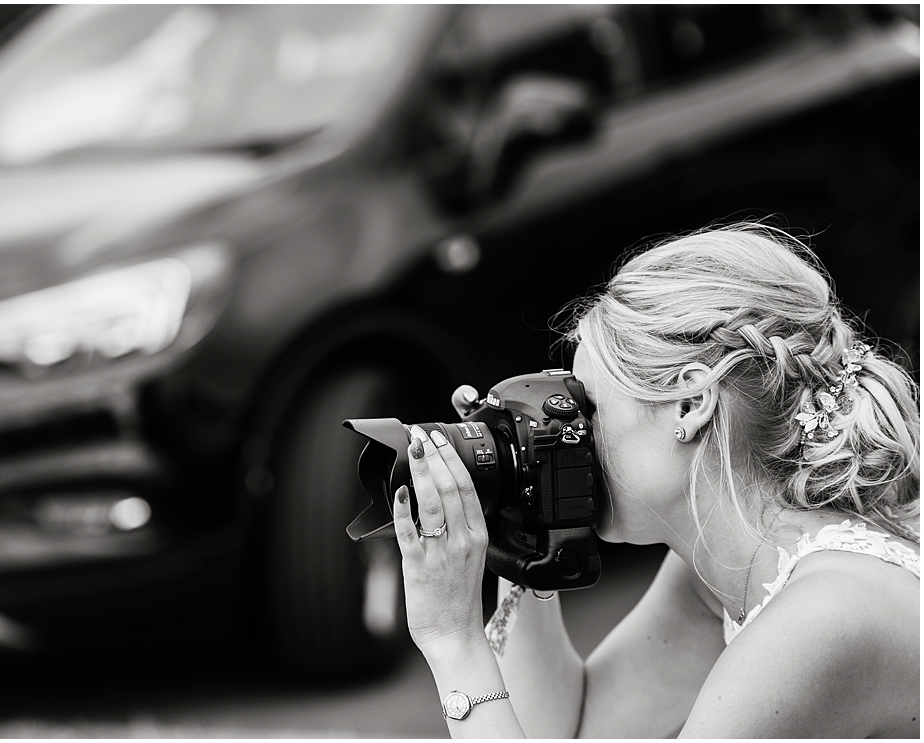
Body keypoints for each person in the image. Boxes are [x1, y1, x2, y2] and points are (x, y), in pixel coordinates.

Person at [391, 224, 919, 738]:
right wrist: (519, 513)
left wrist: (452, 641)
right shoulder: (727, 571)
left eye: (589, 406)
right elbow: (570, 731)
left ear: (690, 403)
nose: (571, 433)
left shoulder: (821, 621)